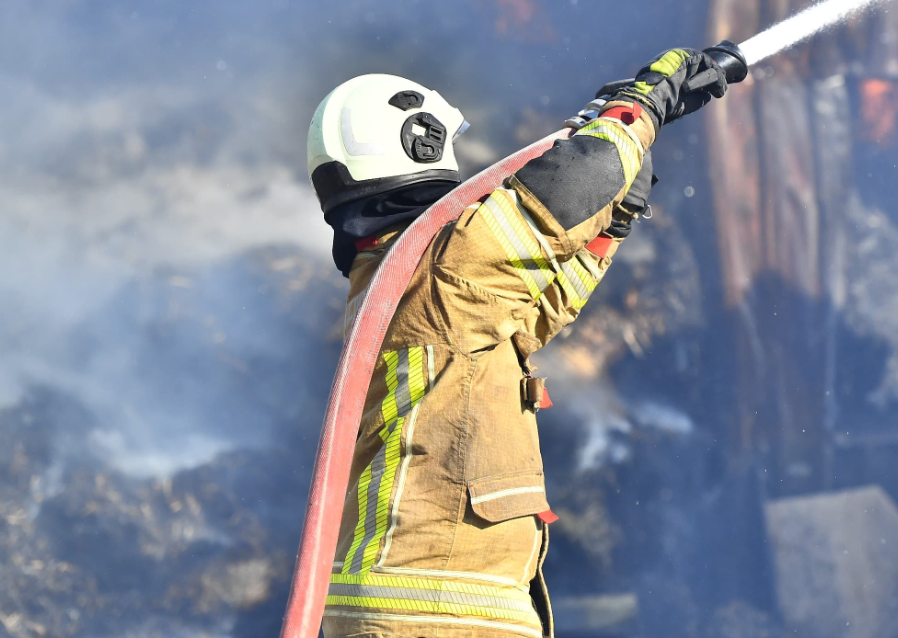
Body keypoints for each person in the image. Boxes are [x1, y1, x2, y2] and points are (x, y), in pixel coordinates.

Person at [306, 47, 735, 638]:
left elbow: (531, 317)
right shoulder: (444, 266)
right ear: (419, 144)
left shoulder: (407, 280)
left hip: (416, 600)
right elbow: (564, 189)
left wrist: (611, 224)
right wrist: (640, 107)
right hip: (435, 608)